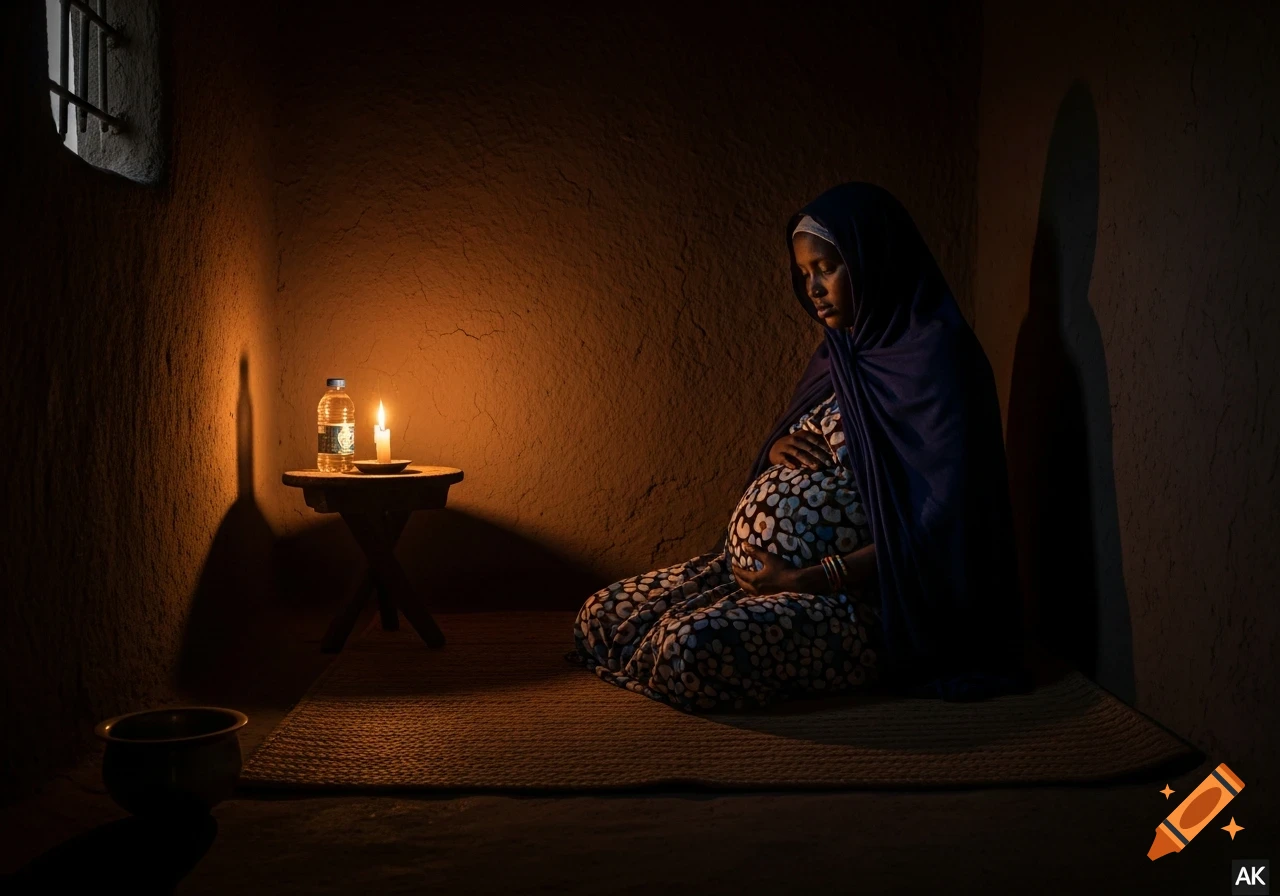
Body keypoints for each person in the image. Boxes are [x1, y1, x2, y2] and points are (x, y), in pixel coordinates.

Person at [563, 182, 1033, 712]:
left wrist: (812, 577)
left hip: (867, 600)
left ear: (873, 259)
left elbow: (944, 527)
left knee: (686, 649)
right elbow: (818, 443)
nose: (813, 289)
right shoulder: (838, 353)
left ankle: (678, 655)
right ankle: (672, 641)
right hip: (751, 576)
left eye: (827, 268)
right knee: (599, 614)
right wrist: (779, 446)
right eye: (804, 273)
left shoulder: (939, 363)